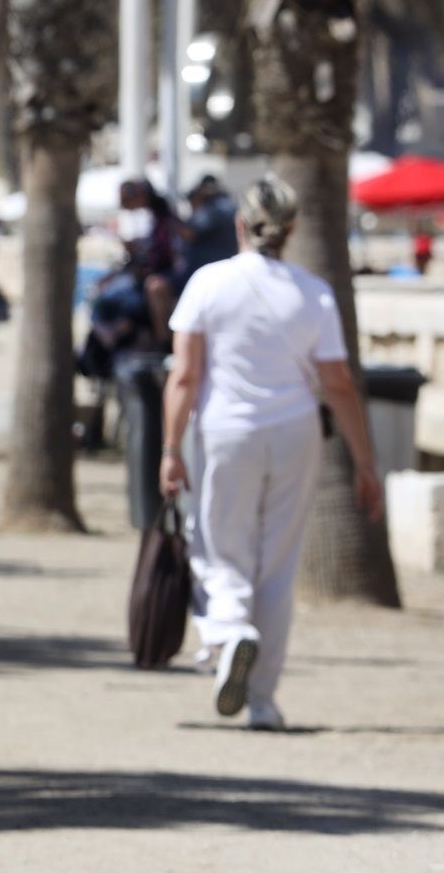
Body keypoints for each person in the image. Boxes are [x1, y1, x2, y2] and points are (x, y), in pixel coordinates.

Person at [159, 174, 384, 731]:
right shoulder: (314, 293)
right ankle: (263, 701)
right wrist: (364, 461)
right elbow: (338, 383)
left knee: (218, 544)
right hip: (295, 432)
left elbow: (184, 376)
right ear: (292, 229)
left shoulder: (209, 283)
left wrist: (170, 447)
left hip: (226, 431)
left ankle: (232, 632)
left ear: (242, 223)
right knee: (278, 563)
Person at [117, 179, 180, 345]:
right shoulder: (149, 216)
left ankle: (163, 342)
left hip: (164, 272)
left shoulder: (164, 216)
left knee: (153, 287)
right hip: (146, 271)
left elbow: (167, 251)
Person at [177, 174, 239, 288]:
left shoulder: (215, 207)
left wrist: (172, 223)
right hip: (226, 265)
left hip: (210, 268)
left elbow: (189, 234)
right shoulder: (228, 203)